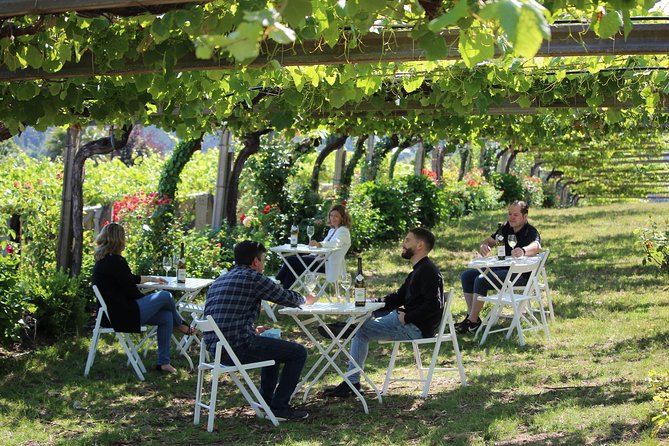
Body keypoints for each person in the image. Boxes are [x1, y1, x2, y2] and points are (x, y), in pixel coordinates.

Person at [323, 227, 444, 397]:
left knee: (360, 331)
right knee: (364, 317)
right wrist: (373, 302)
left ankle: (351, 381)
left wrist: (408, 317)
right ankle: (346, 327)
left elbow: (434, 305)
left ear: (420, 245)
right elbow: (398, 297)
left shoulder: (428, 271)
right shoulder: (418, 270)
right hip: (406, 319)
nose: (403, 243)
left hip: (414, 327)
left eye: (408, 240)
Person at [204, 240, 316, 421]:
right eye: (262, 260)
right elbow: (284, 296)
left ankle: (266, 401)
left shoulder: (221, 279)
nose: (263, 265)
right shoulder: (252, 277)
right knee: (298, 352)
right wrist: (305, 299)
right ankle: (279, 407)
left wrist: (251, 329)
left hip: (217, 349)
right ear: (255, 261)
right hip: (236, 348)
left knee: (273, 349)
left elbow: (224, 317)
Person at [92, 222, 195, 374]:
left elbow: (130, 279)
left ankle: (164, 363)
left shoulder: (105, 260)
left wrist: (152, 279)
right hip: (122, 315)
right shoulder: (116, 261)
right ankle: (181, 325)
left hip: (113, 314)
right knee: (165, 296)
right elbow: (131, 291)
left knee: (166, 316)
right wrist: (150, 301)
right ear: (119, 240)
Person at [456, 200, 542, 334]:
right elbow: (490, 241)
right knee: (467, 276)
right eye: (509, 214)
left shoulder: (530, 231)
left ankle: (471, 322)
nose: (511, 217)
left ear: (525, 216)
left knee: (481, 280)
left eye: (515, 215)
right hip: (503, 269)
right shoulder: (506, 228)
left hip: (520, 275)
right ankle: (472, 317)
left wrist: (523, 251)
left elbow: (537, 247)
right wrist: (484, 246)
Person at [275, 204, 352, 290]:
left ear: (343, 217)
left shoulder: (343, 232)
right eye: (331, 215)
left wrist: (319, 244)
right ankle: (283, 292)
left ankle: (275, 286)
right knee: (293, 266)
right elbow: (327, 245)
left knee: (290, 260)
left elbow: (336, 243)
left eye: (336, 216)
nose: (333, 218)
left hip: (325, 265)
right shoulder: (332, 230)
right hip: (318, 259)